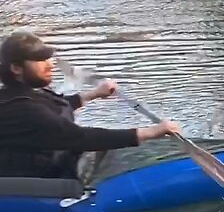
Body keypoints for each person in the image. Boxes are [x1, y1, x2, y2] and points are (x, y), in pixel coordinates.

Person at [0, 30, 181, 180]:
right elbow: (79, 137)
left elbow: (57, 107)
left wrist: (93, 94)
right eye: (39, 60)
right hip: (39, 179)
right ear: (16, 68)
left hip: (59, 162)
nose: (49, 65)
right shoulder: (23, 109)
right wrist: (152, 132)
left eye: (48, 58)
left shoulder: (28, 93)